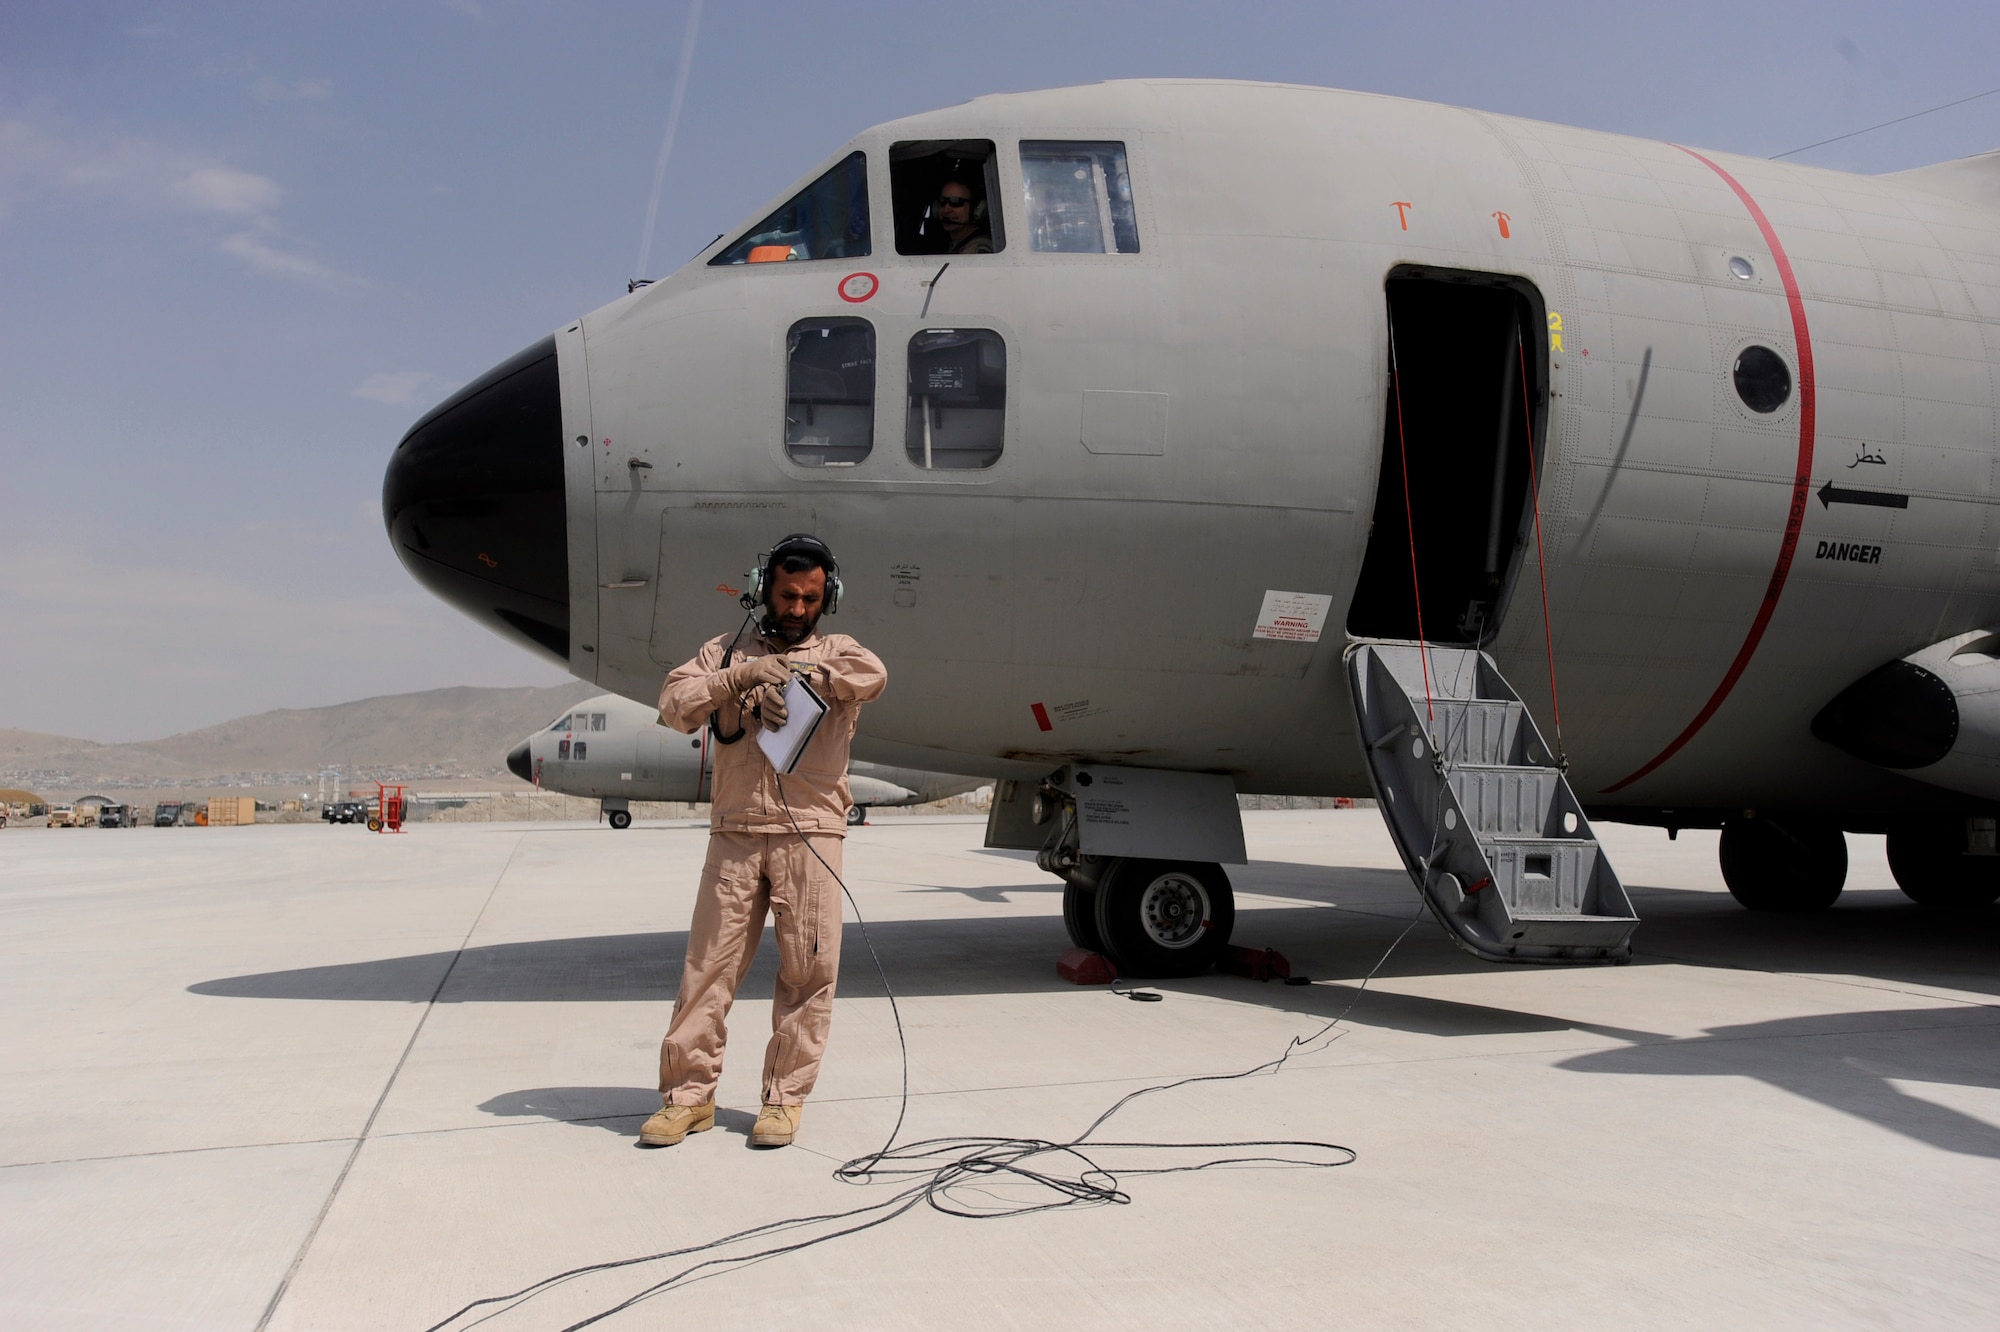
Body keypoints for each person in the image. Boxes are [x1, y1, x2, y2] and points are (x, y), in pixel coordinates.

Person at [643, 535, 887, 1149]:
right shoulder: (723, 652)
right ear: (762, 590)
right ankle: (688, 1099)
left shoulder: (840, 651)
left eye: (810, 597)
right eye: (787, 595)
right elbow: (674, 703)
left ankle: (783, 1100)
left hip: (810, 834)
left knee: (808, 972)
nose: (798, 608)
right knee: (708, 970)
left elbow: (873, 675)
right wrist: (741, 677)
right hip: (735, 833)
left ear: (827, 597)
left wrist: (803, 674)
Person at [934, 179, 992, 254]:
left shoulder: (978, 247)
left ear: (976, 209)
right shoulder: (955, 244)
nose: (946, 210)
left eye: (956, 201)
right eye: (942, 201)